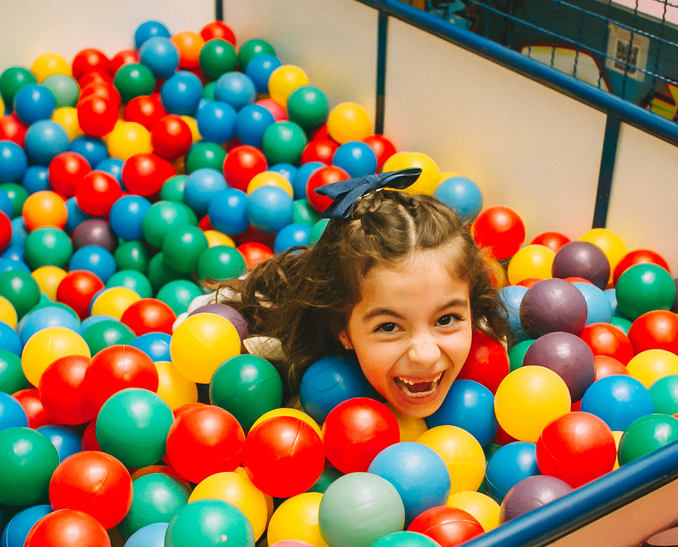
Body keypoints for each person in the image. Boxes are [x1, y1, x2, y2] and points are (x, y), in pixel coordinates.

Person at [217, 169, 511, 419]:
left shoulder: (489, 333)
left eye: (447, 319)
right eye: (389, 326)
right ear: (342, 328)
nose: (425, 355)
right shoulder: (283, 354)